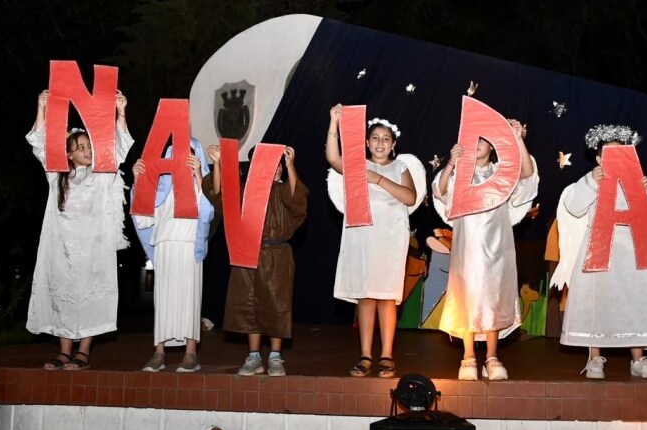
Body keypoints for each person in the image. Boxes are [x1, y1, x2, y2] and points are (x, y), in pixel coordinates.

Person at [26, 89, 133, 371]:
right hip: (61, 249)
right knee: (63, 294)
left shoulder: (101, 174)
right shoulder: (57, 176)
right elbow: (40, 144)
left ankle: (83, 352)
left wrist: (120, 112)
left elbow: (120, 148)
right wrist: (42, 108)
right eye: (80, 147)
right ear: (69, 154)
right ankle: (64, 352)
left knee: (91, 297)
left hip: (93, 250)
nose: (87, 150)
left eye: (89, 146)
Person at [558, 124, 647, 380]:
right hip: (599, 251)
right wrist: (590, 183)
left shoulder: (641, 182)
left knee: (635, 301)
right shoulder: (591, 181)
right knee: (598, 302)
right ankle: (595, 358)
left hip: (632, 252)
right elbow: (574, 208)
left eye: (621, 153)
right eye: (609, 154)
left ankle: (638, 359)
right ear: (599, 158)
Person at [432, 120, 538, 381]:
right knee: (468, 295)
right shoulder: (461, 174)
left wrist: (517, 139)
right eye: (473, 140)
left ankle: (492, 356)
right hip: (467, 247)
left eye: (482, 140)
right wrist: (451, 164)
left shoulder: (501, 172)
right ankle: (468, 356)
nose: (476, 144)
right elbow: (441, 190)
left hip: (497, 246)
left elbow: (526, 173)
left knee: (493, 297)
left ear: (491, 145)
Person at [325, 104, 426, 378]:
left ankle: (387, 355)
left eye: (385, 139)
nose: (380, 143)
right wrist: (334, 122)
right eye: (375, 138)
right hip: (363, 237)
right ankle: (366, 355)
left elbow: (410, 197)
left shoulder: (400, 167)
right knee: (366, 296)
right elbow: (333, 158)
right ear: (367, 142)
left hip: (390, 239)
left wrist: (378, 179)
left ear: (393, 144)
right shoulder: (357, 164)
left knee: (386, 298)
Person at [202, 145, 308, 377]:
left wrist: (291, 166)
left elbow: (297, 200)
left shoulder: (282, 191)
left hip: (277, 254)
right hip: (248, 253)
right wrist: (218, 163)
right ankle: (254, 356)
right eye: (272, 164)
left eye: (279, 164)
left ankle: (276, 356)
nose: (276, 168)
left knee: (276, 305)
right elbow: (220, 196)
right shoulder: (245, 192)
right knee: (250, 306)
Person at [132, 138, 214, 373]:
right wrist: (139, 178)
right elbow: (144, 209)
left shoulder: (200, 184)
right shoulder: (162, 186)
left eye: (189, 154)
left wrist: (199, 173)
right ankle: (159, 352)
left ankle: (191, 354)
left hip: (189, 244)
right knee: (164, 299)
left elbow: (209, 208)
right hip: (166, 242)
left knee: (189, 298)